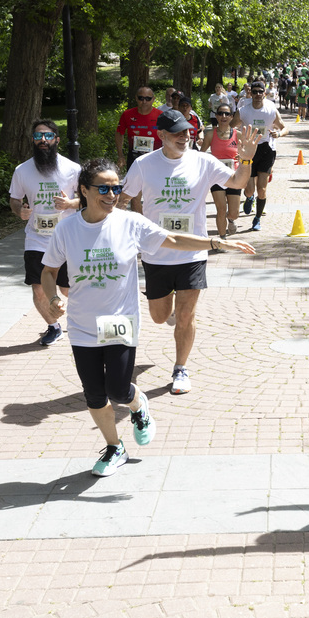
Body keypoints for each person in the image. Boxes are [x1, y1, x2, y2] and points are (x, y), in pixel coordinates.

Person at [42, 157, 255, 476]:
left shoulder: (129, 223)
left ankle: (138, 405)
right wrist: (52, 297)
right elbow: (48, 270)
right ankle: (115, 448)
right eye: (103, 188)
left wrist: (215, 242)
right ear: (84, 190)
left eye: (116, 188)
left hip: (119, 320)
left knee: (117, 389)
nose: (112, 194)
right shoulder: (68, 228)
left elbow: (172, 240)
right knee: (94, 394)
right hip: (83, 325)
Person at [120, 112, 259, 394]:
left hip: (193, 253)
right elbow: (122, 198)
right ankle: (170, 312)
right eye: (177, 133)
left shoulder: (203, 161)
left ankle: (180, 369)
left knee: (185, 317)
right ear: (161, 135)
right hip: (157, 252)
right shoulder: (144, 165)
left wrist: (246, 159)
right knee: (160, 317)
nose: (185, 137)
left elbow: (238, 183)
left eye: (187, 132)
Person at [9, 119, 82, 346]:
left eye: (48, 136)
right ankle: (53, 326)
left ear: (57, 140)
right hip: (36, 238)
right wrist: (19, 210)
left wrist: (70, 204)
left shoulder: (73, 169)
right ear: (32, 140)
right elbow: (14, 199)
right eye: (38, 136)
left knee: (68, 290)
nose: (43, 140)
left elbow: (88, 200)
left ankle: (81, 321)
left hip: (67, 238)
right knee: (39, 288)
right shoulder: (22, 171)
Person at [231, 80, 288, 231]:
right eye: (254, 91)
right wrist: (237, 144)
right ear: (250, 93)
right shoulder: (243, 111)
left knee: (262, 189)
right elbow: (230, 128)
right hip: (249, 151)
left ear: (264, 93)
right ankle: (249, 197)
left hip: (266, 150)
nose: (257, 95)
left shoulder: (271, 109)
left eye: (260, 92)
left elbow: (284, 127)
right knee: (249, 189)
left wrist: (279, 133)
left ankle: (257, 219)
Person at [202, 101, 242, 237]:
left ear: (231, 117)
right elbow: (201, 156)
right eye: (220, 113)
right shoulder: (210, 135)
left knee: (234, 213)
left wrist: (241, 156)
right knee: (220, 209)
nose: (223, 116)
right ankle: (222, 239)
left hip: (233, 177)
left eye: (227, 113)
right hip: (216, 177)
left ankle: (230, 219)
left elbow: (248, 153)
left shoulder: (238, 134)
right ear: (216, 116)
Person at [115, 86, 162, 169]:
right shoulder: (127, 114)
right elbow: (119, 133)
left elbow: (169, 135)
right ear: (136, 98)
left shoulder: (161, 115)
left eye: (148, 98)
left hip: (156, 157)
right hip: (134, 157)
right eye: (141, 98)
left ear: (153, 99)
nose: (144, 101)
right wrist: (120, 156)